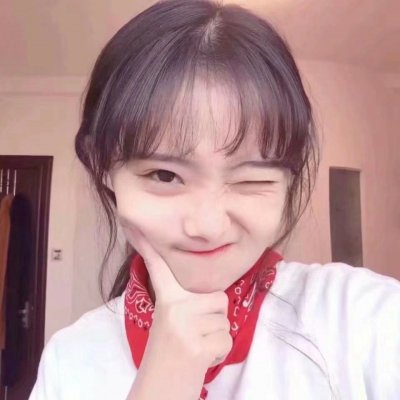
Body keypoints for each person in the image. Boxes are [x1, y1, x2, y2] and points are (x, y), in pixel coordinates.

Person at [29, 0, 400, 399]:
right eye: (164, 175)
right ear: (103, 167)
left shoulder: (363, 318)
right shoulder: (71, 359)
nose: (207, 226)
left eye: (252, 179)